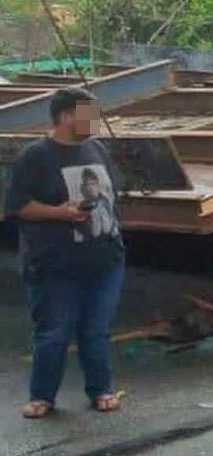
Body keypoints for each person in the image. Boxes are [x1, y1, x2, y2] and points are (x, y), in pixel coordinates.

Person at [2, 87, 125, 419]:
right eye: (90, 113)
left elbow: (113, 195)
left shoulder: (97, 148)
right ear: (67, 116)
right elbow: (18, 206)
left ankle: (101, 389)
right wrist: (61, 213)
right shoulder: (36, 157)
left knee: (96, 330)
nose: (96, 120)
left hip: (105, 259)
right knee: (54, 332)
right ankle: (42, 396)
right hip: (55, 264)